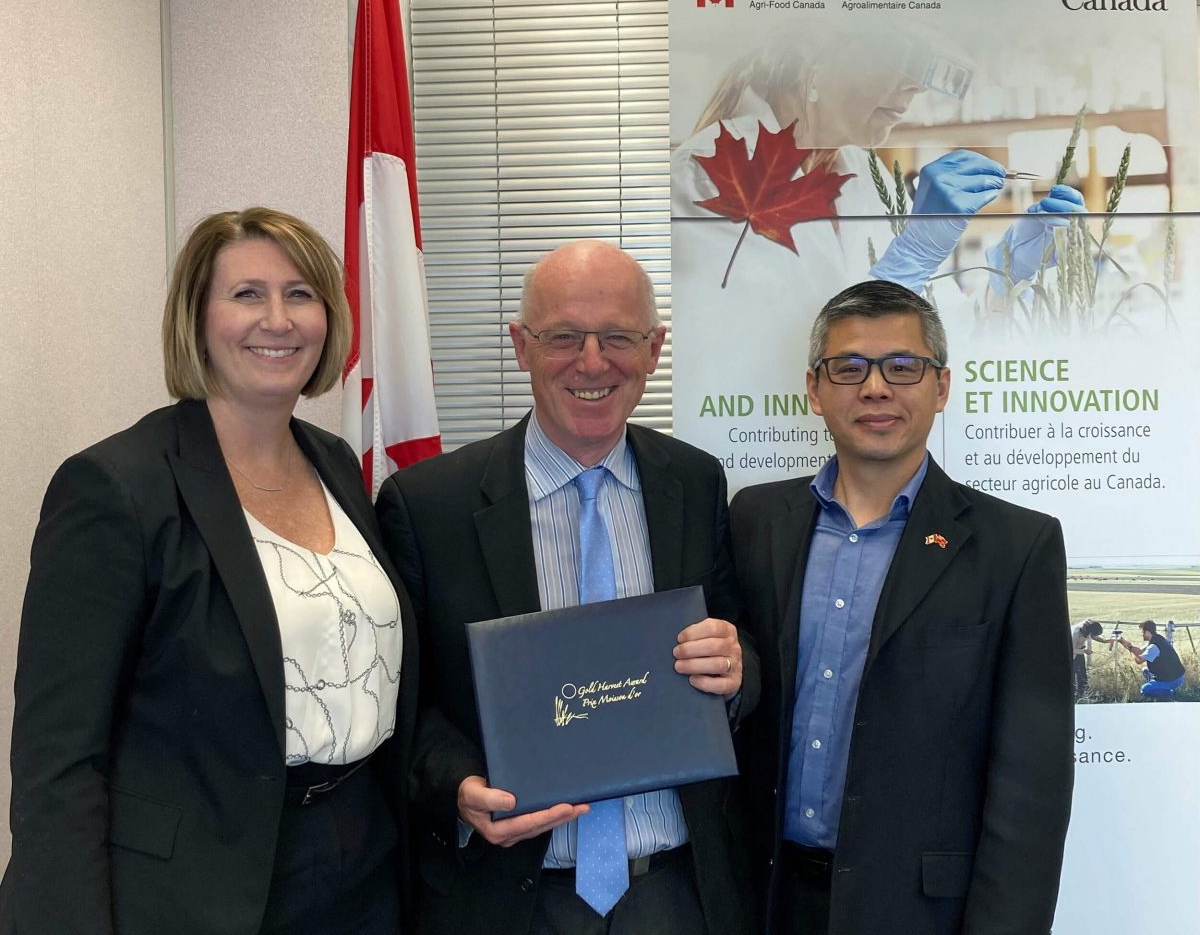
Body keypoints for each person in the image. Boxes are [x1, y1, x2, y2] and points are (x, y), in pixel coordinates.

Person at [0, 208, 417, 935]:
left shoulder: (336, 466)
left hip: (362, 862)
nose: (279, 320)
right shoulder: (116, 487)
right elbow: (58, 762)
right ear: (196, 319)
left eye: (301, 294)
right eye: (247, 294)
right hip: (199, 889)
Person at [376, 239, 759, 935]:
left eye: (618, 337)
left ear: (654, 348)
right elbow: (403, 699)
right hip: (506, 897)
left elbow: (743, 647)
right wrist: (457, 786)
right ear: (521, 347)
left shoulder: (695, 483)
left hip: (674, 892)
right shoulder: (428, 504)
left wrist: (738, 668)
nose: (592, 362)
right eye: (563, 338)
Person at [729, 279, 1074, 935]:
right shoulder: (754, 521)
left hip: (921, 913)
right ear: (814, 389)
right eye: (849, 367)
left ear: (941, 387)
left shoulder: (1016, 547)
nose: (876, 387)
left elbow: (1032, 791)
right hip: (768, 900)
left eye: (903, 366)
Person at [671, 31, 1086, 301]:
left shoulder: (864, 173)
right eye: (900, 52)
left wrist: (1005, 275)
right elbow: (760, 357)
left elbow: (923, 339)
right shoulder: (707, 173)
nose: (917, 83)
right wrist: (909, 260)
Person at [1116, 620, 1185, 700]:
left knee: (1144, 689)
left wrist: (1130, 648)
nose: (1142, 634)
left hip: (1172, 679)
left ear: (1147, 632)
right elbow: (1140, 651)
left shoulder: (1154, 646)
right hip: (1176, 674)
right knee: (1145, 670)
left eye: (1142, 632)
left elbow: (1139, 660)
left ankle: (1170, 693)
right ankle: (1158, 687)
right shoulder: (1158, 638)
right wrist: (1126, 643)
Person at [1071, 618, 1112, 699]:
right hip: (1072, 653)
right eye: (1091, 633)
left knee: (1082, 673)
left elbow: (1094, 636)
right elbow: (1071, 649)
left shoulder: (1088, 628)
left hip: (1080, 651)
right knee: (1073, 673)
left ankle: (1083, 693)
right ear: (1088, 631)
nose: (1091, 635)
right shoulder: (1075, 633)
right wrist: (1084, 651)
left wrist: (1105, 640)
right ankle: (1073, 695)